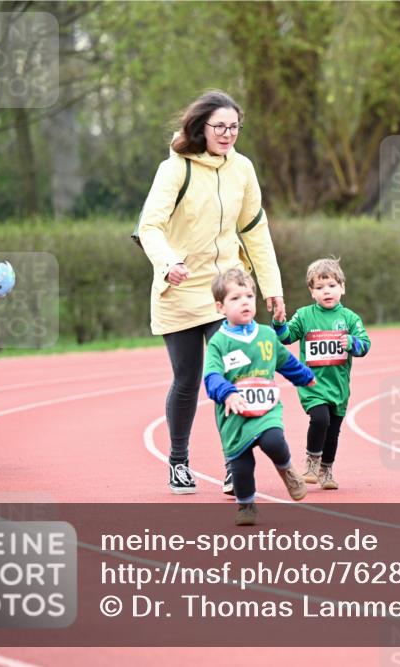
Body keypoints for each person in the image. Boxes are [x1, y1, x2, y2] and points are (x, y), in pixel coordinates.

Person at [137, 90, 287, 495]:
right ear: (200, 127)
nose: (227, 134)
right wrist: (169, 264)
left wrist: (272, 288)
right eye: (220, 126)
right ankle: (179, 461)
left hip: (227, 287)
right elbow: (149, 227)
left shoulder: (242, 169)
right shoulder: (175, 170)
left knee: (233, 376)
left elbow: (254, 230)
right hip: (181, 286)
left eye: (234, 127)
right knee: (187, 379)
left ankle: (232, 460)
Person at [203, 269, 315, 525]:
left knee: (273, 440)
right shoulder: (219, 342)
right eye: (235, 298)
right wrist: (227, 393)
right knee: (241, 465)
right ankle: (246, 505)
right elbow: (211, 377)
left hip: (266, 407)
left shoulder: (266, 334)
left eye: (249, 296)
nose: (244, 302)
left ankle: (287, 470)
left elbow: (285, 361)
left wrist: (305, 377)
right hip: (234, 414)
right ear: (220, 307)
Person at [273, 258, 371, 490]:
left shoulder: (350, 318)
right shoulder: (305, 315)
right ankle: (312, 462)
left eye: (331, 286)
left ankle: (327, 469)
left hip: (338, 386)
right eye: (319, 287)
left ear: (342, 288)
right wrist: (279, 323)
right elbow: (287, 337)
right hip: (313, 384)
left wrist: (352, 342)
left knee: (333, 430)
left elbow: (365, 346)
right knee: (320, 419)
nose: (326, 291)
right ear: (312, 292)